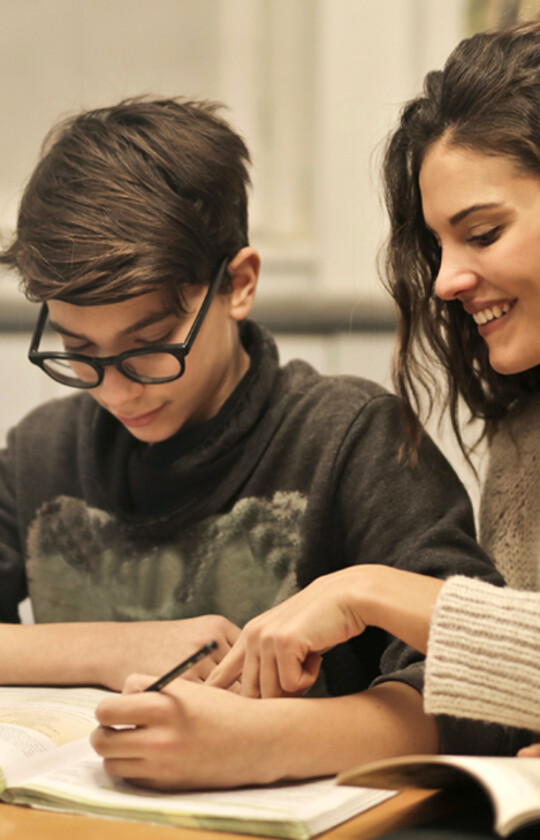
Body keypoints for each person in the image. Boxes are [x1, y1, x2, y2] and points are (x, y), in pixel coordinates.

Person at [0, 95, 518, 791]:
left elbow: (488, 691)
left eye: (151, 347)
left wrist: (268, 741)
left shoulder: (352, 439)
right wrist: (114, 646)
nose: (117, 390)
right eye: (78, 348)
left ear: (239, 284)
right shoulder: (41, 450)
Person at [204, 19, 540, 752]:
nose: (448, 281)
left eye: (481, 234)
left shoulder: (349, 431)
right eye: (438, 245)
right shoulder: (523, 431)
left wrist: (370, 591)